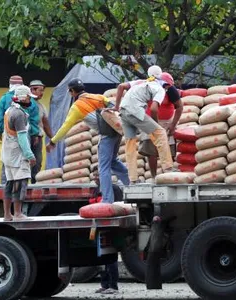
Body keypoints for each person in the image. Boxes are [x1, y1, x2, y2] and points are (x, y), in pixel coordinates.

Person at [46, 78, 130, 203]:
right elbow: (115, 108)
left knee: (103, 167)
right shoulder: (98, 97)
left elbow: (65, 127)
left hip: (106, 135)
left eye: (70, 92)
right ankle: (131, 186)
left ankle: (107, 199)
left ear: (73, 91)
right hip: (117, 133)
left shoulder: (76, 107)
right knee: (113, 161)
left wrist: (53, 141)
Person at [115, 67, 183, 178]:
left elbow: (121, 86)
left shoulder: (142, 83)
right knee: (159, 134)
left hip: (124, 111)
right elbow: (154, 109)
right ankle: (167, 169)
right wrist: (155, 126)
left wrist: (116, 107)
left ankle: (132, 178)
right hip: (138, 112)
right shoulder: (160, 88)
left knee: (130, 144)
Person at [0, 85, 37, 221]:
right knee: (20, 183)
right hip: (18, 155)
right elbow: (22, 137)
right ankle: (17, 213)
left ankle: (7, 215)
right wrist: (29, 155)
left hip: (7, 153)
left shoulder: (9, 111)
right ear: (22, 98)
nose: (30, 101)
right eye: (28, 97)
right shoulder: (19, 114)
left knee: (9, 183)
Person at [0, 75, 40, 184]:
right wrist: (35, 134)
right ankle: (22, 191)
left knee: (8, 166)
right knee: (23, 164)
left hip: (8, 136)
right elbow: (34, 119)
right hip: (24, 135)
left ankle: (5, 185)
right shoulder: (28, 101)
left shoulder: (4, 99)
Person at [89, 166, 120, 295]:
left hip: (110, 227)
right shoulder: (96, 190)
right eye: (94, 175)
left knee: (111, 257)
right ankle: (104, 284)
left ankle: (113, 286)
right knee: (102, 257)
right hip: (98, 226)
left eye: (98, 175)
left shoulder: (114, 189)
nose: (96, 177)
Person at [29, 80, 53, 183]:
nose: (42, 93)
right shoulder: (26, 104)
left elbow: (45, 124)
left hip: (38, 138)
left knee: (37, 162)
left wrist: (52, 138)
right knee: (25, 161)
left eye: (43, 91)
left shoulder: (41, 106)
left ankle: (34, 183)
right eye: (40, 90)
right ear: (32, 90)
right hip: (26, 137)